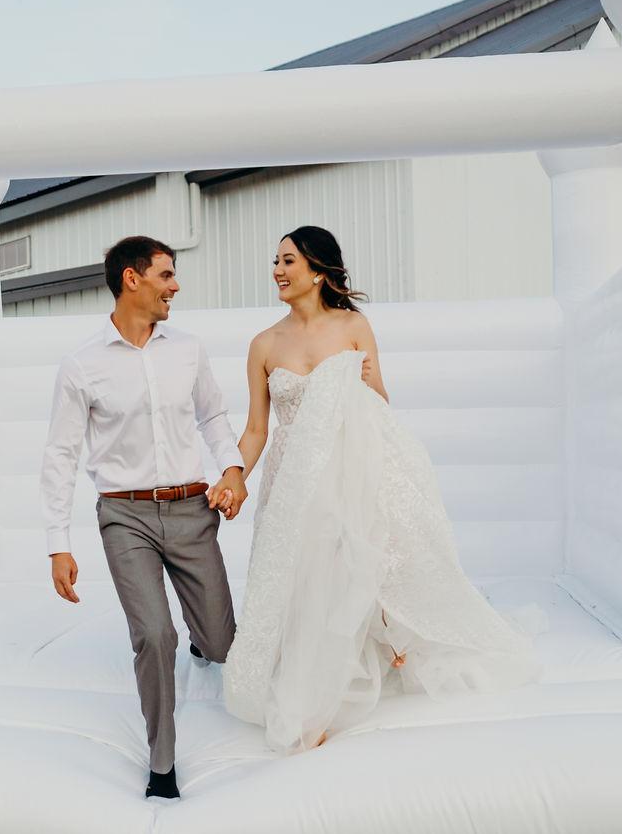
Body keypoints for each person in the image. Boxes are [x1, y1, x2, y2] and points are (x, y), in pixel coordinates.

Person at [220, 226, 543, 753]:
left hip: (349, 467)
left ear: (318, 271)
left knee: (354, 563)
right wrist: (233, 475)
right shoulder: (264, 344)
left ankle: (356, 669)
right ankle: (308, 683)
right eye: (276, 261)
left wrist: (366, 384)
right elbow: (257, 428)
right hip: (293, 476)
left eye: (288, 261)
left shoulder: (354, 326)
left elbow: (379, 404)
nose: (277, 271)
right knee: (301, 576)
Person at [39, 235, 248, 800]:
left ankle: (205, 640)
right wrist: (59, 543)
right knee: (155, 635)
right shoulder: (82, 365)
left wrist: (232, 470)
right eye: (166, 275)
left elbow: (213, 417)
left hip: (192, 510)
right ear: (132, 279)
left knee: (223, 644)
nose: (175, 286)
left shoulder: (188, 350)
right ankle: (162, 762)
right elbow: (61, 454)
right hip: (124, 517)